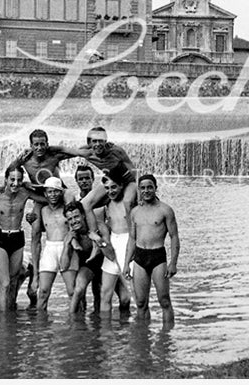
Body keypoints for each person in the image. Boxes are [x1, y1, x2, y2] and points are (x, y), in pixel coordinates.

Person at [123, 174, 179, 327]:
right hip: (140, 257)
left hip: (157, 257)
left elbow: (174, 237)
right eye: (143, 188)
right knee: (141, 303)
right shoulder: (135, 212)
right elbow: (132, 239)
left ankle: (166, 338)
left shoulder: (165, 210)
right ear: (139, 190)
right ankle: (143, 338)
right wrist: (126, 263)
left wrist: (173, 263)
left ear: (155, 188)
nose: (146, 191)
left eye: (149, 187)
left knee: (164, 300)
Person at [0, 167, 45, 311]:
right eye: (12, 179)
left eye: (19, 180)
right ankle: (3, 320)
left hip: (17, 237)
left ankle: (10, 317)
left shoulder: (24, 193)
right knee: (5, 283)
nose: (15, 183)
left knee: (13, 281)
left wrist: (36, 213)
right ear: (5, 179)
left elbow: (48, 197)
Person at [33, 177, 78, 310]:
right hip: (50, 248)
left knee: (72, 291)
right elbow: (36, 235)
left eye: (56, 191)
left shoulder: (67, 209)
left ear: (61, 192)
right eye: (50, 192)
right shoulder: (43, 210)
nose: (53, 195)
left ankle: (78, 326)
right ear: (45, 194)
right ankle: (40, 327)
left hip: (67, 247)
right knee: (43, 292)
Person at [95, 177, 134, 315]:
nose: (110, 191)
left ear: (121, 186)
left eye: (114, 187)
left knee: (136, 292)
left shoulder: (129, 201)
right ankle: (105, 332)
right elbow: (85, 206)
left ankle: (139, 331)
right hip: (113, 243)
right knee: (105, 292)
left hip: (128, 241)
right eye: (107, 188)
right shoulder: (106, 205)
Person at [63, 201, 109, 315]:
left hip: (106, 262)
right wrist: (66, 245)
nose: (74, 221)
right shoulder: (72, 236)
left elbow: (109, 251)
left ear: (83, 215)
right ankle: (72, 320)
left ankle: (99, 324)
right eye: (70, 219)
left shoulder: (98, 226)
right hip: (88, 265)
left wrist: (98, 240)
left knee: (123, 298)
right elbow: (63, 266)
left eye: (76, 217)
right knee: (78, 290)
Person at [75, 127, 138, 208]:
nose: (97, 144)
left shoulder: (115, 150)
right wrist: (91, 145)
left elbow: (133, 171)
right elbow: (79, 150)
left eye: (100, 140)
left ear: (105, 141)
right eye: (94, 141)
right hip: (110, 181)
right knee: (84, 204)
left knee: (127, 202)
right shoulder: (94, 152)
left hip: (126, 181)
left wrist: (139, 190)